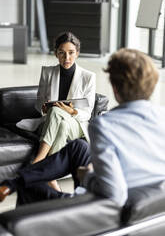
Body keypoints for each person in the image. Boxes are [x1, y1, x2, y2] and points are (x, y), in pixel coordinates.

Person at [1, 48, 165, 207]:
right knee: (79, 147)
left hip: (103, 208)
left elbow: (115, 194)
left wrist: (86, 176)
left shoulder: (105, 125)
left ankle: (19, 188)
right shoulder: (161, 116)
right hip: (149, 203)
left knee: (31, 185)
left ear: (115, 89)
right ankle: (14, 182)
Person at [16, 31, 96, 190]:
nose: (67, 58)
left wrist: (71, 111)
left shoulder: (88, 77)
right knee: (58, 118)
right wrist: (43, 107)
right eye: (62, 53)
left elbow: (88, 112)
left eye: (71, 53)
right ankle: (50, 176)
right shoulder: (47, 73)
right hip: (56, 122)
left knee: (58, 113)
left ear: (77, 53)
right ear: (56, 54)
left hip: (76, 125)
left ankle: (38, 160)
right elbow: (39, 103)